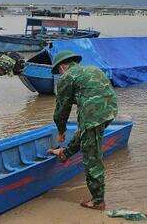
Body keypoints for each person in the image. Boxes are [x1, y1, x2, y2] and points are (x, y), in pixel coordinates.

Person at [48, 50, 118, 210]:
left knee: (91, 157)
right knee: (85, 135)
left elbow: (61, 110)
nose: (59, 73)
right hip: (110, 110)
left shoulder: (67, 77)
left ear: (62, 67)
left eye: (58, 71)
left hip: (93, 115)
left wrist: (61, 131)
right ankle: (65, 154)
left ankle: (98, 201)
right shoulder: (93, 68)